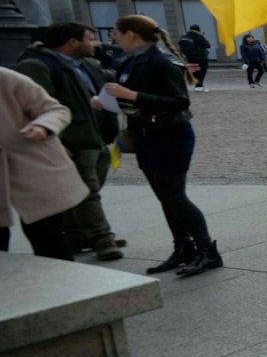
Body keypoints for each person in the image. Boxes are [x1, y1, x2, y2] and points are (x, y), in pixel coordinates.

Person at [102, 15, 222, 276]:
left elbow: (179, 101)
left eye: (117, 33)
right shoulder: (129, 60)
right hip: (144, 134)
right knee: (164, 198)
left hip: (171, 135)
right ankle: (183, 248)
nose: (114, 38)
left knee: (176, 196)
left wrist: (131, 95)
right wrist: (108, 101)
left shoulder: (161, 61)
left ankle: (207, 252)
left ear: (131, 34)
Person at [12, 22, 122, 259]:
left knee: (85, 189)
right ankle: (103, 239)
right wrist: (56, 138)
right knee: (86, 190)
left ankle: (76, 234)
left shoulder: (84, 64)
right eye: (89, 39)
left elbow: (107, 80)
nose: (95, 43)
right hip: (73, 139)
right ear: (73, 42)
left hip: (96, 135)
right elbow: (38, 107)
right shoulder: (37, 66)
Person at [0, 67, 90, 260]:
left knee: (49, 241)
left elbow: (56, 110)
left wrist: (43, 126)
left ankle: (64, 286)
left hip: (32, 170)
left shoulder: (7, 78)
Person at [177, 24, 211, 90]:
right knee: (202, 71)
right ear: (198, 29)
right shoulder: (199, 36)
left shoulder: (184, 36)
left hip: (190, 57)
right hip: (201, 57)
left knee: (195, 71)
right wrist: (203, 37)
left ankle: (197, 84)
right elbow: (207, 45)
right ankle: (199, 86)